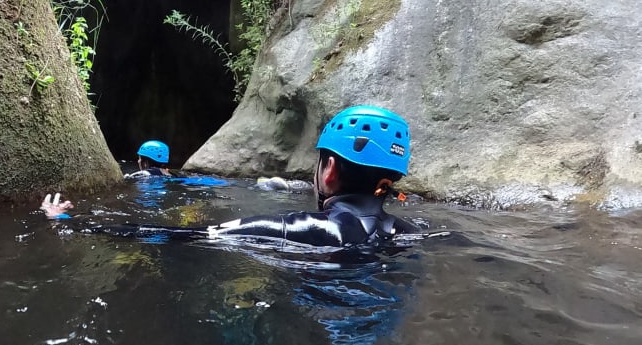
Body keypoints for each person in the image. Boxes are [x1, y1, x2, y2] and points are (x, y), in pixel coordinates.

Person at [42, 105, 422, 247]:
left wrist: (71, 222)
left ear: (330, 170)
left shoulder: (296, 227)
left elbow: (178, 235)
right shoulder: (409, 233)